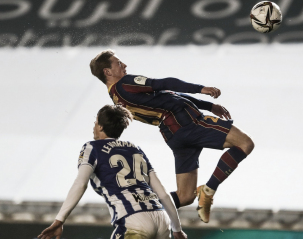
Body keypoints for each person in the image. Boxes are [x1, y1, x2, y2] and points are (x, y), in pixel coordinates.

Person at [89, 50, 254, 223]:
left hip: (172, 134)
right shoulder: (125, 83)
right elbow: (164, 84)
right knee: (245, 143)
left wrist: (208, 106)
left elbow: (167, 97)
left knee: (185, 196)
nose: (124, 65)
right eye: (118, 63)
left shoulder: (116, 99)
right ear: (107, 72)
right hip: (187, 121)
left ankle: (138, 210)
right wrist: (200, 89)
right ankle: (209, 190)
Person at [37, 105, 187, 239]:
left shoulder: (92, 147)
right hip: (162, 220)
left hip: (133, 220)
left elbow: (80, 183)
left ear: (101, 126)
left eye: (95, 122)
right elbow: (163, 194)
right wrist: (177, 229)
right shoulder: (136, 149)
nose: (94, 126)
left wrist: (59, 220)